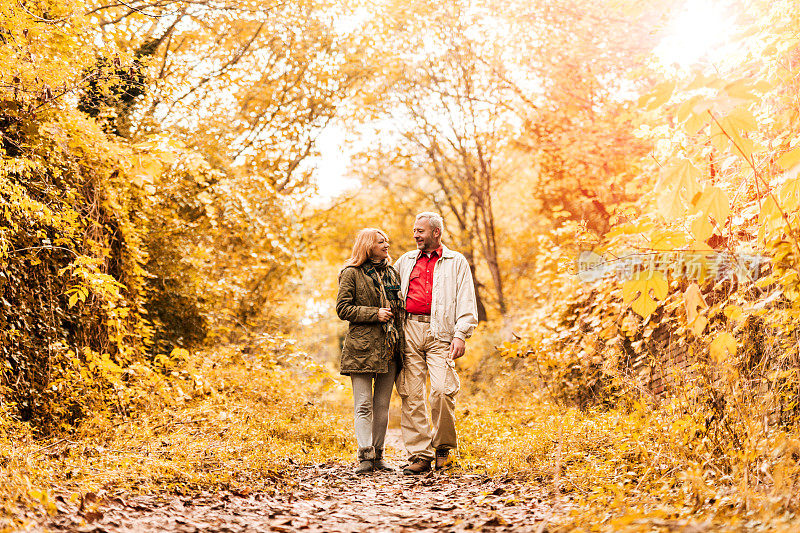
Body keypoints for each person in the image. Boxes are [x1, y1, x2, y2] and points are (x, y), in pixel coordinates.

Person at [393, 212, 478, 475]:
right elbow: (390, 294)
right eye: (414, 230)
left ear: (436, 232)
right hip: (409, 329)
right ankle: (420, 454)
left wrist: (460, 333)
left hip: (442, 332)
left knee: (442, 390)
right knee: (411, 394)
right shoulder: (405, 261)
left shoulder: (456, 262)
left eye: (420, 230)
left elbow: (466, 300)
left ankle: (443, 449)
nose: (415, 235)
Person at [336, 228, 406, 474]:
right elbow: (343, 309)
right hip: (361, 348)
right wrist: (374, 314)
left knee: (382, 405)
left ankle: (378, 456)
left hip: (390, 348)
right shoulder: (350, 273)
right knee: (363, 404)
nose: (386, 244)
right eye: (381, 241)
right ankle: (365, 455)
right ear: (368, 246)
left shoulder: (392, 272)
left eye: (386, 240)